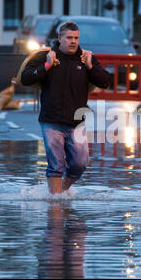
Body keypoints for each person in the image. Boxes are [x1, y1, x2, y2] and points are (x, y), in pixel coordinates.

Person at [21, 21, 110, 194]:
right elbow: (25, 78)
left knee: (79, 165)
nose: (73, 41)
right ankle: (55, 206)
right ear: (60, 38)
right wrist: (46, 66)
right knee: (56, 165)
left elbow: (105, 81)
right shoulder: (47, 55)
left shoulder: (85, 58)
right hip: (51, 121)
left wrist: (91, 68)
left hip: (76, 123)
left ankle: (61, 192)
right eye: (69, 37)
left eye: (76, 38)